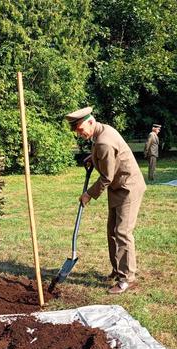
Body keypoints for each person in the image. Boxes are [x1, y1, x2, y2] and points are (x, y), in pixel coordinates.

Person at [65, 106, 146, 294]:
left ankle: (127, 278)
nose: (79, 134)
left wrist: (89, 194)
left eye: (80, 129)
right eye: (77, 131)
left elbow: (106, 178)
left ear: (91, 121)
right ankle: (117, 270)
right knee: (111, 230)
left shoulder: (104, 142)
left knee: (123, 232)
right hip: (119, 187)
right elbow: (106, 154)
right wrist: (93, 158)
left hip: (128, 188)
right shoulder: (102, 131)